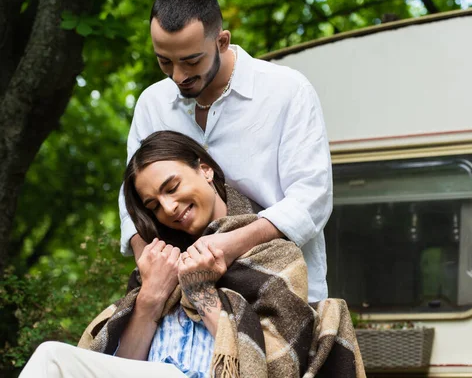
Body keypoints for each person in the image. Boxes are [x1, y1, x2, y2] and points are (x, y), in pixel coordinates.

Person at [20, 131, 364, 378]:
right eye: (153, 205)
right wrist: (152, 297)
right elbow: (124, 365)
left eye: (172, 187)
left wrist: (201, 291)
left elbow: (275, 367)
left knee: (52, 360)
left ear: (205, 169)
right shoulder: (160, 264)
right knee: (53, 362)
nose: (168, 207)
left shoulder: (272, 253)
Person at [119, 0, 332, 303]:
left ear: (221, 41)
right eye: (164, 61)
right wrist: (145, 257)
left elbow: (312, 196)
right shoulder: (152, 104)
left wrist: (229, 244)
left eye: (191, 61)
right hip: (181, 297)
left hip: (283, 290)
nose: (178, 76)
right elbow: (133, 197)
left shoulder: (287, 90)